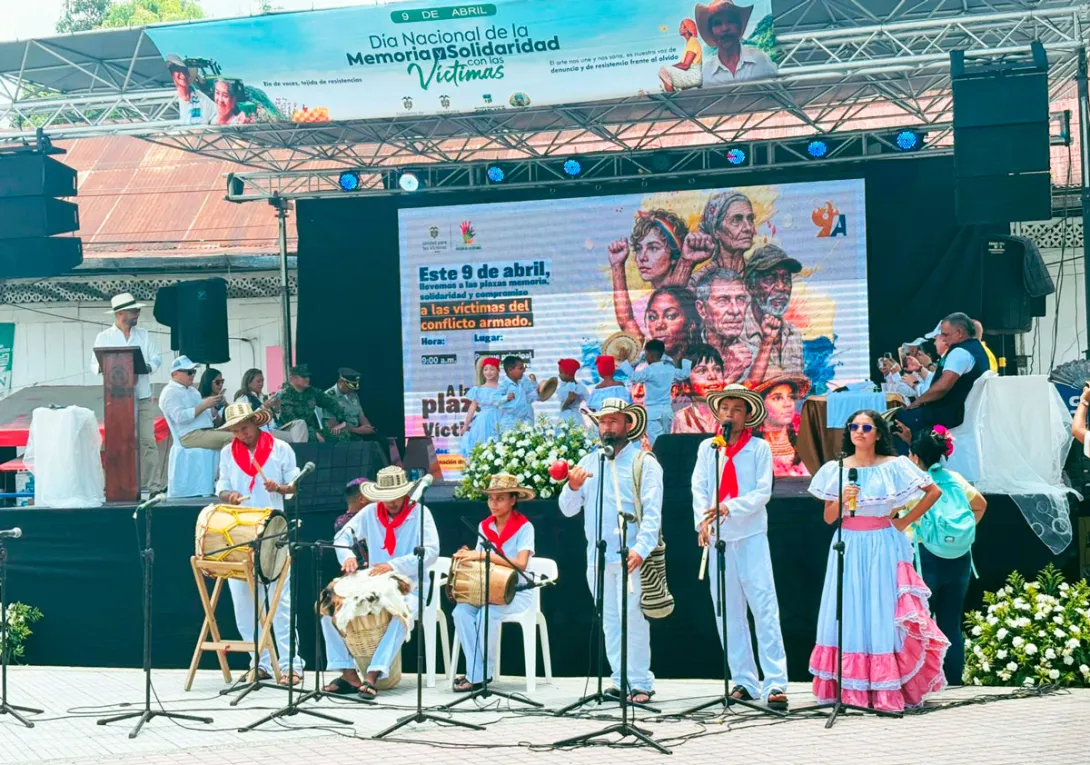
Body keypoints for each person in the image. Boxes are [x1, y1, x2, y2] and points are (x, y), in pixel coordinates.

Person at [807, 410, 948, 712]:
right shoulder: (838, 468)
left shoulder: (894, 466)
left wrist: (904, 521)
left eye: (866, 427)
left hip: (883, 543)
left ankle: (885, 689)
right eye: (854, 426)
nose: (859, 431)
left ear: (878, 433)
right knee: (850, 610)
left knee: (883, 611)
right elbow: (829, 517)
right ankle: (851, 688)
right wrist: (843, 499)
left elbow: (933, 490)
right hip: (849, 544)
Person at [691, 386, 789, 709]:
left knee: (764, 608)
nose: (730, 414)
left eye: (737, 409)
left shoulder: (759, 448)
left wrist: (731, 507)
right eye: (726, 408)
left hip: (750, 536)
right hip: (719, 540)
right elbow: (699, 487)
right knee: (728, 613)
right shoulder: (709, 448)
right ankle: (744, 680)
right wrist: (701, 523)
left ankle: (775, 682)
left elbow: (764, 492)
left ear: (748, 416)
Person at [559, 399, 662, 704]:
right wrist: (572, 487)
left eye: (614, 421)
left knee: (633, 618)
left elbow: (653, 514)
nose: (607, 427)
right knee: (609, 621)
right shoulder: (589, 463)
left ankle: (641, 682)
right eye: (603, 422)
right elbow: (567, 510)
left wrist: (641, 550)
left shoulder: (644, 462)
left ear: (627, 425)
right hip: (598, 558)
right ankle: (619, 680)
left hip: (630, 556)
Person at [322, 467, 439, 699]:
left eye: (395, 497)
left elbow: (432, 552)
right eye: (385, 498)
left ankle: (373, 675)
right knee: (327, 608)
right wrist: (348, 557)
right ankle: (348, 673)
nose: (391, 503)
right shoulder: (371, 512)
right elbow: (342, 537)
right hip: (375, 584)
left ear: (404, 493)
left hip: (410, 585)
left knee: (399, 613)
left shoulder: (421, 513)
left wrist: (394, 566)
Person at [215, 402, 305, 685]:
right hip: (239, 533)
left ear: (256, 422)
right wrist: (229, 496)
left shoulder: (280, 449)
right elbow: (222, 486)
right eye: (236, 430)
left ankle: (292, 664)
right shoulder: (228, 452)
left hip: (273, 531)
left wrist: (279, 487)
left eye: (245, 427)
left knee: (280, 602)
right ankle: (261, 661)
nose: (242, 434)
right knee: (244, 604)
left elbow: (294, 484)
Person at [907, 427, 987, 686]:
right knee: (951, 621)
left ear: (915, 457)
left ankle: (926, 680)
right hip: (960, 557)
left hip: (925, 557)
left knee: (921, 622)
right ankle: (954, 680)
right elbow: (981, 505)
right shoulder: (955, 478)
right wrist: (961, 533)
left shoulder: (914, 482)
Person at [451, 473, 536, 692]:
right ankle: (478, 672)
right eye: (491, 498)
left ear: (513, 500)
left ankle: (477, 675)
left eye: (500, 498)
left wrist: (480, 556)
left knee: (485, 615)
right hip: (489, 590)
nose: (494, 503)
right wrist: (468, 555)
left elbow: (521, 564)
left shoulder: (525, 527)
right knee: (460, 612)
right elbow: (481, 562)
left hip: (516, 592)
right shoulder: (484, 525)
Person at [90, 292, 163, 494]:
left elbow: (157, 359)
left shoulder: (144, 335)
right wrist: (112, 366)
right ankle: (117, 486)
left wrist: (147, 367)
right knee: (117, 441)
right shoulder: (104, 337)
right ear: (121, 313)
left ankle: (152, 486)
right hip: (116, 400)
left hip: (142, 397)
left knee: (147, 441)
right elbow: (94, 365)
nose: (138, 313)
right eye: (134, 311)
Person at [609, 211, 715, 343]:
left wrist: (686, 263)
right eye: (638, 248)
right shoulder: (638, 307)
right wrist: (617, 265)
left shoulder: (699, 297)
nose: (642, 257)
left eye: (653, 248)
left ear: (674, 256)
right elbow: (630, 329)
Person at [896, 313, 990, 447]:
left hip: (950, 413)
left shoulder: (959, 353)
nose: (943, 340)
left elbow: (942, 387)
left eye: (946, 335)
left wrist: (917, 402)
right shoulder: (976, 349)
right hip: (960, 411)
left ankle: (913, 462)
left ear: (959, 333)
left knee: (900, 421)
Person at [158, 356, 229, 498]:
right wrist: (204, 405)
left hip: (204, 431)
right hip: (189, 435)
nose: (192, 375)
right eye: (189, 372)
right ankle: (224, 481)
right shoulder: (170, 392)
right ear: (175, 373)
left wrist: (214, 406)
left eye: (194, 372)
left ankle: (223, 479)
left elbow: (207, 416)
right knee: (233, 439)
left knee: (238, 434)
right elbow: (179, 417)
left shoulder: (192, 391)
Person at [743, 245, 804, 383]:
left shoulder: (794, 333)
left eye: (786, 279)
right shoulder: (737, 334)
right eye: (770, 279)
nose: (781, 287)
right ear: (750, 287)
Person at [619, 339, 692, 444]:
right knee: (667, 442)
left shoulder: (649, 370)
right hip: (667, 412)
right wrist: (685, 361)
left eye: (646, 354)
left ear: (649, 354)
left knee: (657, 445)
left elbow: (634, 377)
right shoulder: (669, 369)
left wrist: (623, 361)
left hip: (653, 412)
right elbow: (684, 374)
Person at [693, 267, 755, 383]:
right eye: (723, 301)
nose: (735, 310)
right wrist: (729, 374)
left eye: (740, 300)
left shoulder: (756, 358)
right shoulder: (686, 356)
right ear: (701, 309)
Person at [614, 285, 703, 365]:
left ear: (691, 324)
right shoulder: (644, 361)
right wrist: (616, 267)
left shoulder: (707, 361)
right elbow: (626, 321)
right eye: (652, 317)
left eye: (670, 316)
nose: (659, 325)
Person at [696, 0, 778, 85]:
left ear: (740, 27)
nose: (725, 28)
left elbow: (780, 92)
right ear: (711, 33)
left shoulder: (760, 60)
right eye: (718, 24)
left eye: (731, 21)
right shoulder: (706, 72)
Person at [753, 375, 810, 477]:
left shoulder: (805, 444)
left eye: (791, 397)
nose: (788, 404)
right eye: (777, 398)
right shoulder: (751, 446)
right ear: (760, 404)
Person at [277, 364, 349, 443]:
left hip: (314, 430)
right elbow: (291, 420)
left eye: (308, 376)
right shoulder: (285, 395)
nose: (307, 379)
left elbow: (331, 403)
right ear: (293, 378)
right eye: (303, 377)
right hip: (294, 432)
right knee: (312, 438)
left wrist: (342, 422)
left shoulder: (312, 392)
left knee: (343, 434)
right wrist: (313, 433)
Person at [234, 368, 307, 443]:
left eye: (262, 381)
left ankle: (298, 449)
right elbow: (244, 420)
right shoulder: (243, 399)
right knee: (297, 436)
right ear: (249, 383)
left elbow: (274, 420)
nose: (261, 384)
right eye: (258, 381)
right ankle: (299, 451)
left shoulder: (263, 397)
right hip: (262, 431)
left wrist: (277, 408)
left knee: (300, 423)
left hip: (275, 428)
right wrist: (263, 407)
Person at [672, 344, 725, 434]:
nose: (712, 376)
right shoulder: (681, 419)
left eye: (717, 369)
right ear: (686, 386)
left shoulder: (732, 416)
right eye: (702, 371)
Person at [699, 191, 756, 274]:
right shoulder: (698, 281)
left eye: (750, 219)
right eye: (736, 220)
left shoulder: (759, 276)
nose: (748, 228)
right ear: (716, 231)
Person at [462, 357, 506, 455]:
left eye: (492, 369)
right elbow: (472, 407)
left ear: (497, 371)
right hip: (482, 421)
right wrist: (466, 425)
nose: (488, 372)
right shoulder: (478, 389)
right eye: (486, 369)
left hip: (498, 418)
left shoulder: (502, 388)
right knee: (482, 446)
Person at [322, 368, 378, 440]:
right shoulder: (329, 396)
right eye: (349, 387)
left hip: (358, 431)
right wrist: (357, 430)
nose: (351, 390)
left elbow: (361, 416)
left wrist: (367, 427)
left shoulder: (353, 395)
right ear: (340, 382)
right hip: (343, 433)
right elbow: (332, 424)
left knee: (382, 440)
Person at [659, 19, 704, 93]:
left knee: (663, 71)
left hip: (693, 76)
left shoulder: (693, 41)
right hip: (690, 74)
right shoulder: (690, 42)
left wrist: (670, 68)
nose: (679, 29)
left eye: (681, 27)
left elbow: (685, 65)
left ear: (686, 29)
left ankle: (673, 98)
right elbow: (682, 64)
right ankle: (674, 93)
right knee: (664, 76)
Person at [497, 355, 538, 432]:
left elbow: (529, 398)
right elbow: (495, 400)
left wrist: (538, 390)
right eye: (520, 368)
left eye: (523, 368)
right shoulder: (505, 384)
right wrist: (506, 398)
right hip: (509, 423)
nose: (523, 370)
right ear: (510, 370)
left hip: (523, 421)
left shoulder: (521, 383)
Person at [556, 358, 588, 427]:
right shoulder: (563, 386)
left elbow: (588, 399)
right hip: (564, 416)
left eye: (561, 372)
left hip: (574, 416)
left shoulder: (579, 388)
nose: (559, 375)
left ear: (569, 374)